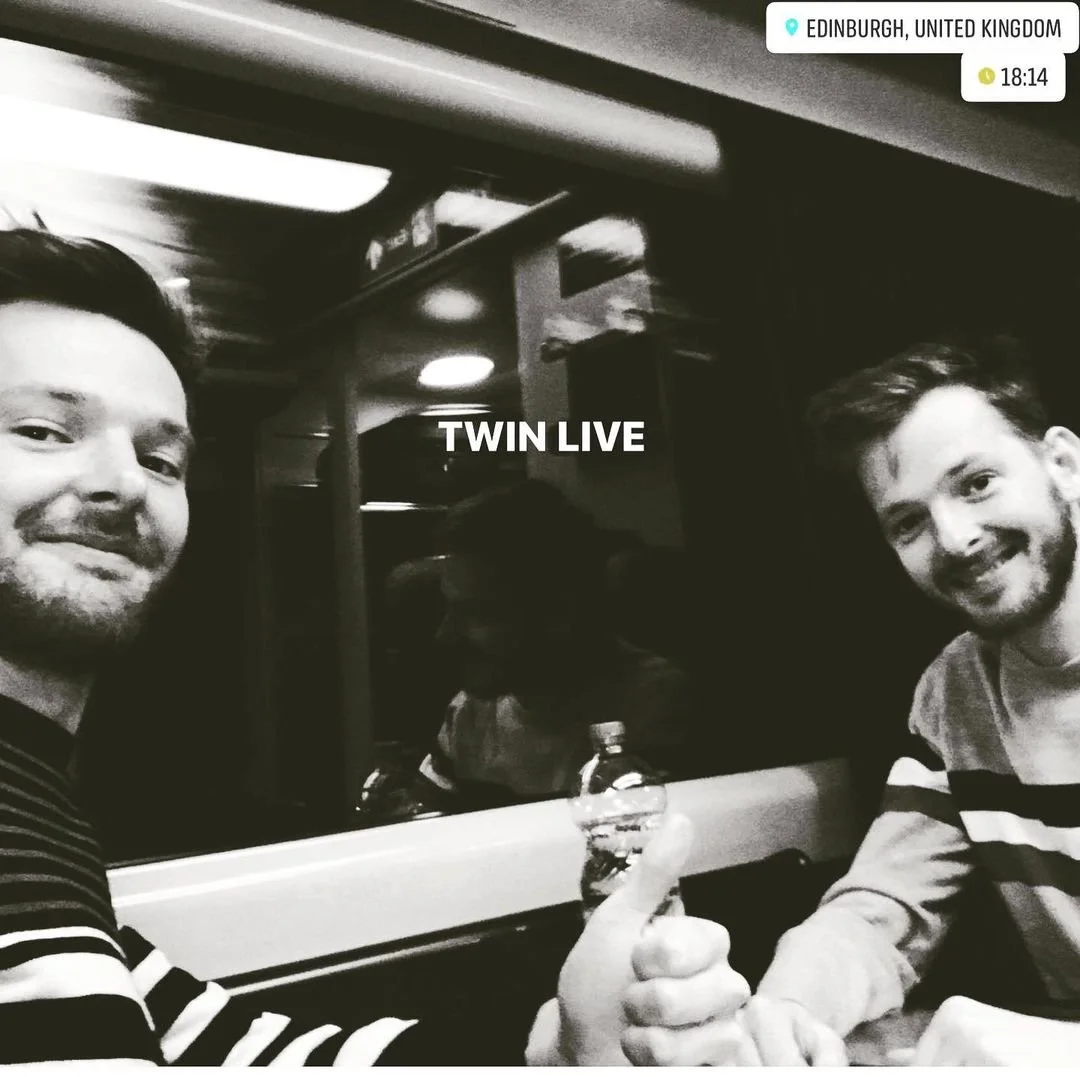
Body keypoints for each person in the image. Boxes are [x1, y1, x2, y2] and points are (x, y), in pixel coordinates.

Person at [0, 226, 743, 1065]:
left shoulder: (38, 824)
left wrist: (557, 1048)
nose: (124, 482)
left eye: (161, 457)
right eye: (41, 430)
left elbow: (223, 1048)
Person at [687, 339, 1080, 1066]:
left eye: (977, 482)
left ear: (1063, 463)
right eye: (908, 522)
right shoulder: (954, 691)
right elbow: (886, 910)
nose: (955, 538)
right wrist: (790, 1008)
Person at [414, 480, 694, 810]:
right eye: (449, 609)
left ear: (558, 612)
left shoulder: (655, 707)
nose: (444, 635)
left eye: (476, 613)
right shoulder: (468, 714)